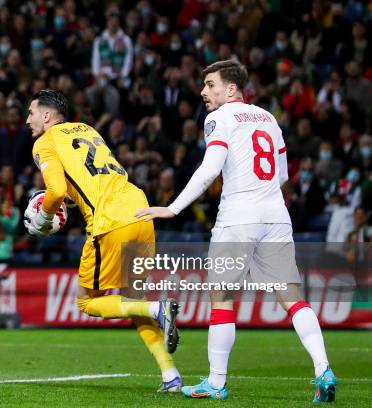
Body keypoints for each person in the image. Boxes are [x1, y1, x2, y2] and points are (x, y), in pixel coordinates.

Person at [136, 60, 336, 402]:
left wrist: (172, 207)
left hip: (238, 218)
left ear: (231, 89)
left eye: (210, 85)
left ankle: (216, 382)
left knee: (222, 300)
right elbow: (284, 176)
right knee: (292, 298)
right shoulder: (269, 119)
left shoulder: (219, 118)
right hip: (275, 216)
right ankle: (323, 370)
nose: (203, 91)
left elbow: (210, 168)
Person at [24, 89, 182, 393]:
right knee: (131, 302)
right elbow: (88, 180)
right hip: (140, 212)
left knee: (87, 301)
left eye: (31, 113)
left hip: (110, 223)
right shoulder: (87, 129)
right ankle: (170, 376)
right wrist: (71, 200)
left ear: (46, 116)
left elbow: (54, 191)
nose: (28, 119)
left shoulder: (44, 141)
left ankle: (157, 311)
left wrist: (43, 219)